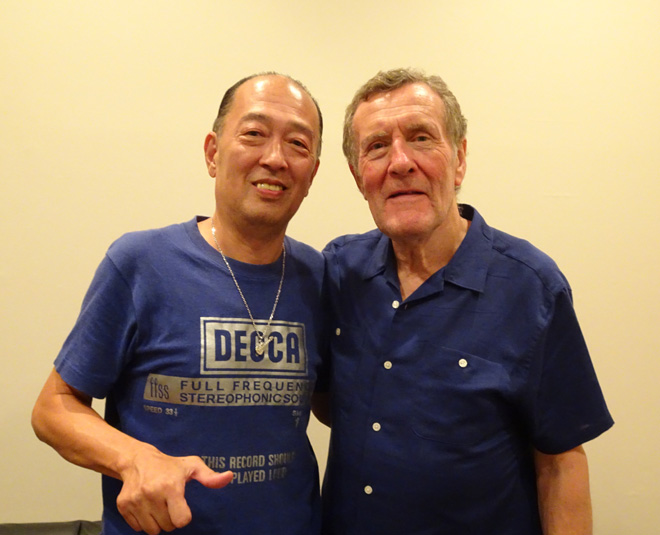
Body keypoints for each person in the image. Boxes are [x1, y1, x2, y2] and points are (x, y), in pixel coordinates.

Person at [314, 68, 614, 535]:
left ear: (460, 158)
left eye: (421, 138)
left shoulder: (531, 286)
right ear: (358, 176)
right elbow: (324, 400)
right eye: (377, 146)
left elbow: (560, 462)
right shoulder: (338, 272)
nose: (400, 162)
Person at [32, 73, 327, 535]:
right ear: (213, 152)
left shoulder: (319, 277)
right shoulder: (140, 263)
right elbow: (53, 407)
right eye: (254, 133)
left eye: (298, 144)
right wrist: (134, 459)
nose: (275, 158)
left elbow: (334, 403)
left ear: (312, 173)